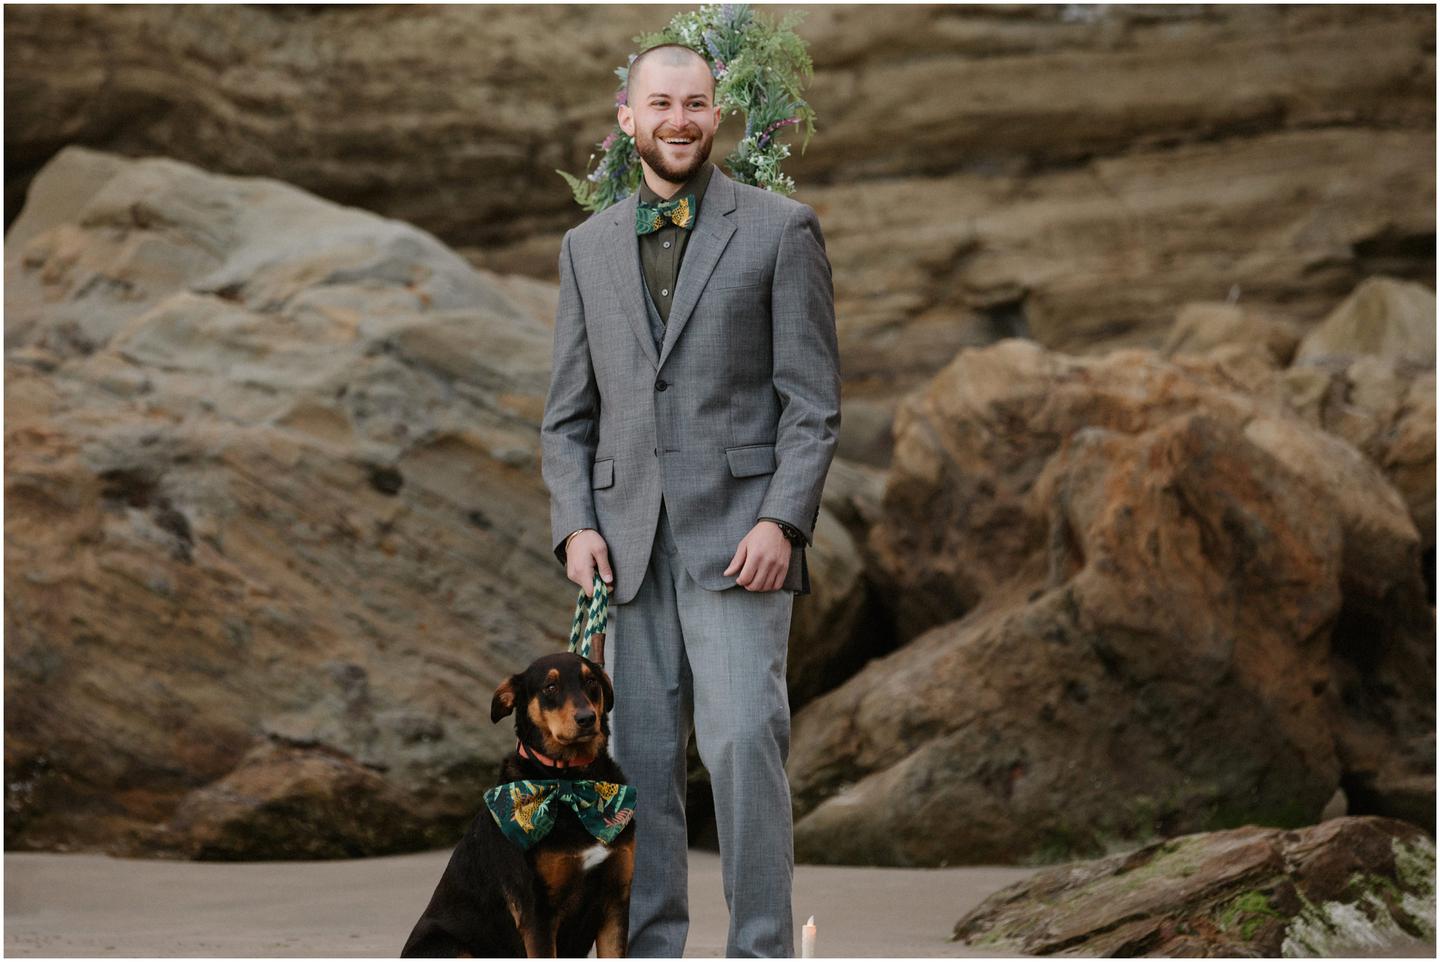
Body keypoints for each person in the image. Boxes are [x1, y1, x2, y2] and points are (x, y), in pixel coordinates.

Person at [539, 41, 840, 958]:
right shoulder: (585, 249)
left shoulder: (781, 230)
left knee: (745, 744)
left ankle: (761, 950)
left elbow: (812, 403)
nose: (680, 120)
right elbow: (567, 417)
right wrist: (575, 526)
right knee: (638, 767)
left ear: (718, 114)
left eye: (696, 104)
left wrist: (782, 520)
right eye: (661, 104)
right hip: (625, 548)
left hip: (743, 544)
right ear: (627, 118)